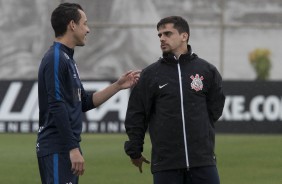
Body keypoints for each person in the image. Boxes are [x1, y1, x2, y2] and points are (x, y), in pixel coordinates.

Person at [36, 3, 140, 184]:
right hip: (58, 147)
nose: (88, 29)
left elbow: (83, 102)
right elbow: (56, 105)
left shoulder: (67, 59)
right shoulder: (55, 58)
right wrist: (72, 148)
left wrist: (117, 85)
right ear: (72, 25)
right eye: (85, 23)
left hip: (65, 147)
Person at [124, 16, 225, 184]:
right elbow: (137, 114)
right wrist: (134, 150)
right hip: (166, 164)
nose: (162, 38)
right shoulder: (150, 74)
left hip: (202, 161)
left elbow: (215, 108)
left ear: (184, 36)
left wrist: (199, 128)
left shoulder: (207, 70)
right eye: (160, 35)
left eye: (168, 33)